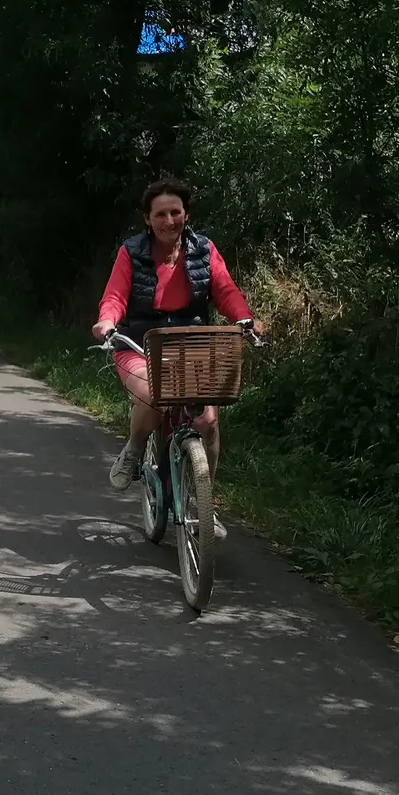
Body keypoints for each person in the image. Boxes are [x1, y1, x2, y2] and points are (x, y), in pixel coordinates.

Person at [91, 175, 264, 536]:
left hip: (192, 346)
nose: (169, 221)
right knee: (153, 392)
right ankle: (135, 450)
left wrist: (245, 319)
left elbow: (226, 291)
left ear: (186, 214)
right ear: (147, 219)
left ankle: (203, 504)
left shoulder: (203, 249)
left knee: (209, 422)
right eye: (160, 214)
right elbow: (116, 296)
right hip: (140, 344)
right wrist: (107, 321)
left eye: (176, 212)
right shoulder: (132, 252)